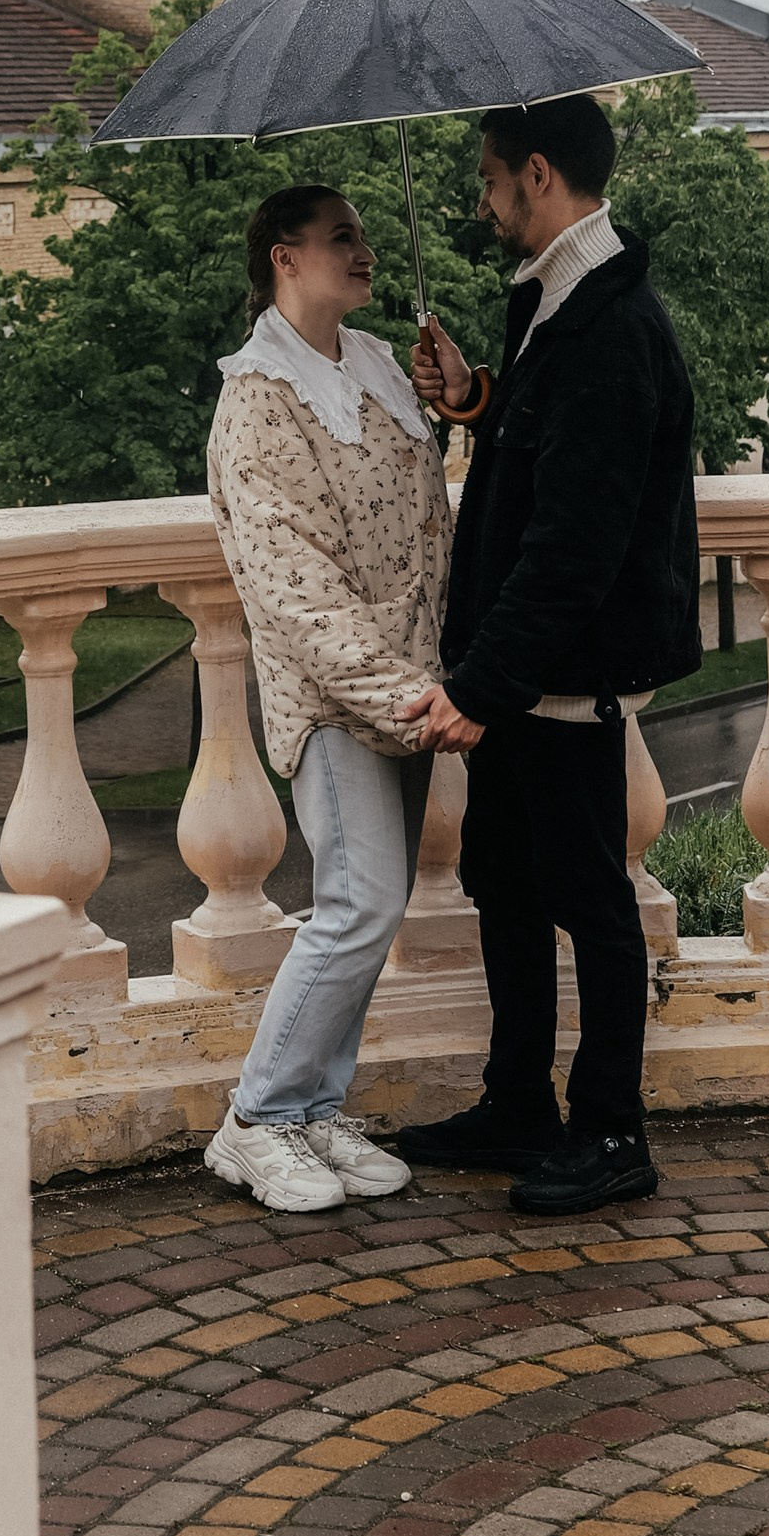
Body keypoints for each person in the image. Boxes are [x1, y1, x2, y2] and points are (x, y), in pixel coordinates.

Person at [392, 95, 700, 1220]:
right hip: (530, 666)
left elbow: (576, 542)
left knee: (588, 896)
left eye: (486, 178)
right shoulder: (558, 300)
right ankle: (517, 1098)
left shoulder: (612, 327)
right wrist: (474, 396)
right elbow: (538, 446)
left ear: (536, 175)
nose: (478, 200)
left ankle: (611, 1129)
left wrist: (481, 684)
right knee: (503, 881)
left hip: (565, 672)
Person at [202, 184, 451, 1218]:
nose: (365, 252)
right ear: (282, 258)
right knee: (358, 904)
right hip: (340, 695)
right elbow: (291, 583)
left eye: (363, 233)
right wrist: (402, 692)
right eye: (340, 237)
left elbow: (424, 517)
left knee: (373, 904)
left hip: (412, 680)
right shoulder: (257, 399)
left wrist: (461, 398)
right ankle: (256, 1120)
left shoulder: (382, 363)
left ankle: (311, 1106)